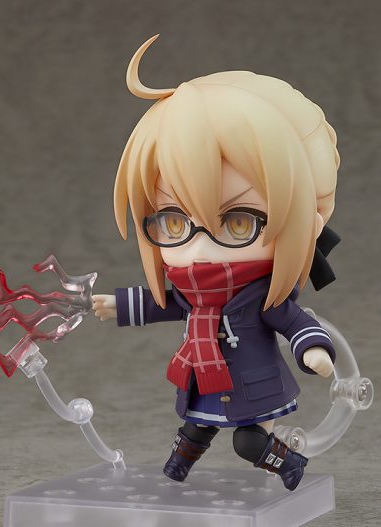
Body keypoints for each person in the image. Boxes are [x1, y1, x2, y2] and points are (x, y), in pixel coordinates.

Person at [92, 35, 340, 491]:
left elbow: (294, 321)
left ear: (303, 222)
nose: (200, 247)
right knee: (194, 427)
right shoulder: (194, 292)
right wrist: (119, 305)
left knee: (249, 442)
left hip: (253, 386)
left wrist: (314, 351)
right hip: (202, 378)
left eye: (238, 222)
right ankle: (177, 468)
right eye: (173, 221)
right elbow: (169, 303)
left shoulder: (262, 297)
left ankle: (291, 464)